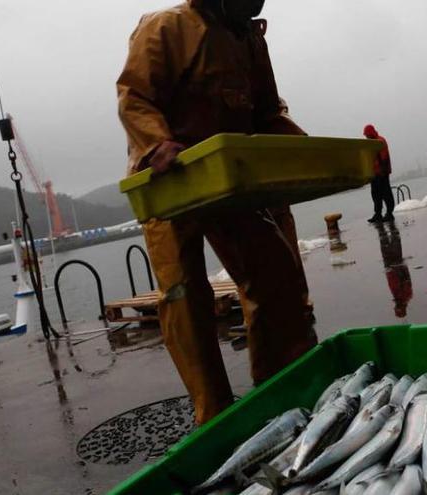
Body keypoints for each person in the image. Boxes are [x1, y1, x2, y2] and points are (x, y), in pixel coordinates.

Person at [116, 0, 317, 424]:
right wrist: (157, 143)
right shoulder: (166, 27)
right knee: (183, 294)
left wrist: (307, 150)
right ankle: (212, 411)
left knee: (274, 271)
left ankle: (279, 385)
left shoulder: (249, 39)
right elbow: (134, 96)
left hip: (228, 179)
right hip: (167, 183)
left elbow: (267, 112)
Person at [364, 124, 395, 223]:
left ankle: (389, 213)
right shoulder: (370, 143)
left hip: (382, 173)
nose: (366, 137)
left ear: (371, 133)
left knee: (386, 193)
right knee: (375, 194)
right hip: (374, 173)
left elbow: (384, 157)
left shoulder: (380, 141)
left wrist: (383, 171)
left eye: (367, 135)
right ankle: (378, 214)